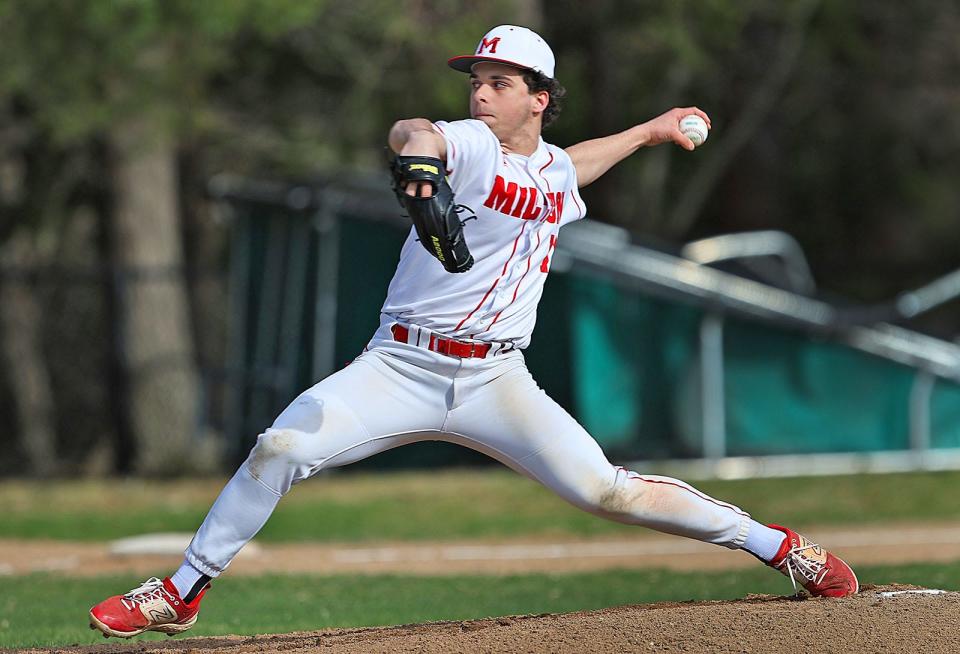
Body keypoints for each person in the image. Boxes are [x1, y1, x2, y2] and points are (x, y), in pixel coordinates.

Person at [88, 24, 857, 639]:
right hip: (400, 367)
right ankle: (180, 591)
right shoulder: (471, 142)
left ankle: (782, 548)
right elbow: (412, 128)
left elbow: (573, 165)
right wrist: (419, 170)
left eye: (500, 83)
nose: (482, 92)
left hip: (497, 380)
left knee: (607, 490)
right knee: (279, 448)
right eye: (477, 81)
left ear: (539, 100)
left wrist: (650, 132)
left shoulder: (550, 168)